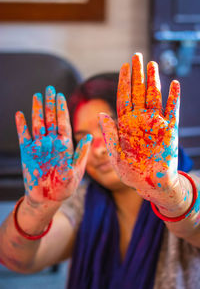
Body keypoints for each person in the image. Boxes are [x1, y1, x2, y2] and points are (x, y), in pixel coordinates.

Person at [0, 53, 200, 289]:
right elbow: (20, 261)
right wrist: (36, 207)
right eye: (83, 138)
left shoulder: (188, 190)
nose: (97, 149)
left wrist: (170, 191)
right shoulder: (83, 203)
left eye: (109, 129)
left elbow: (192, 222)